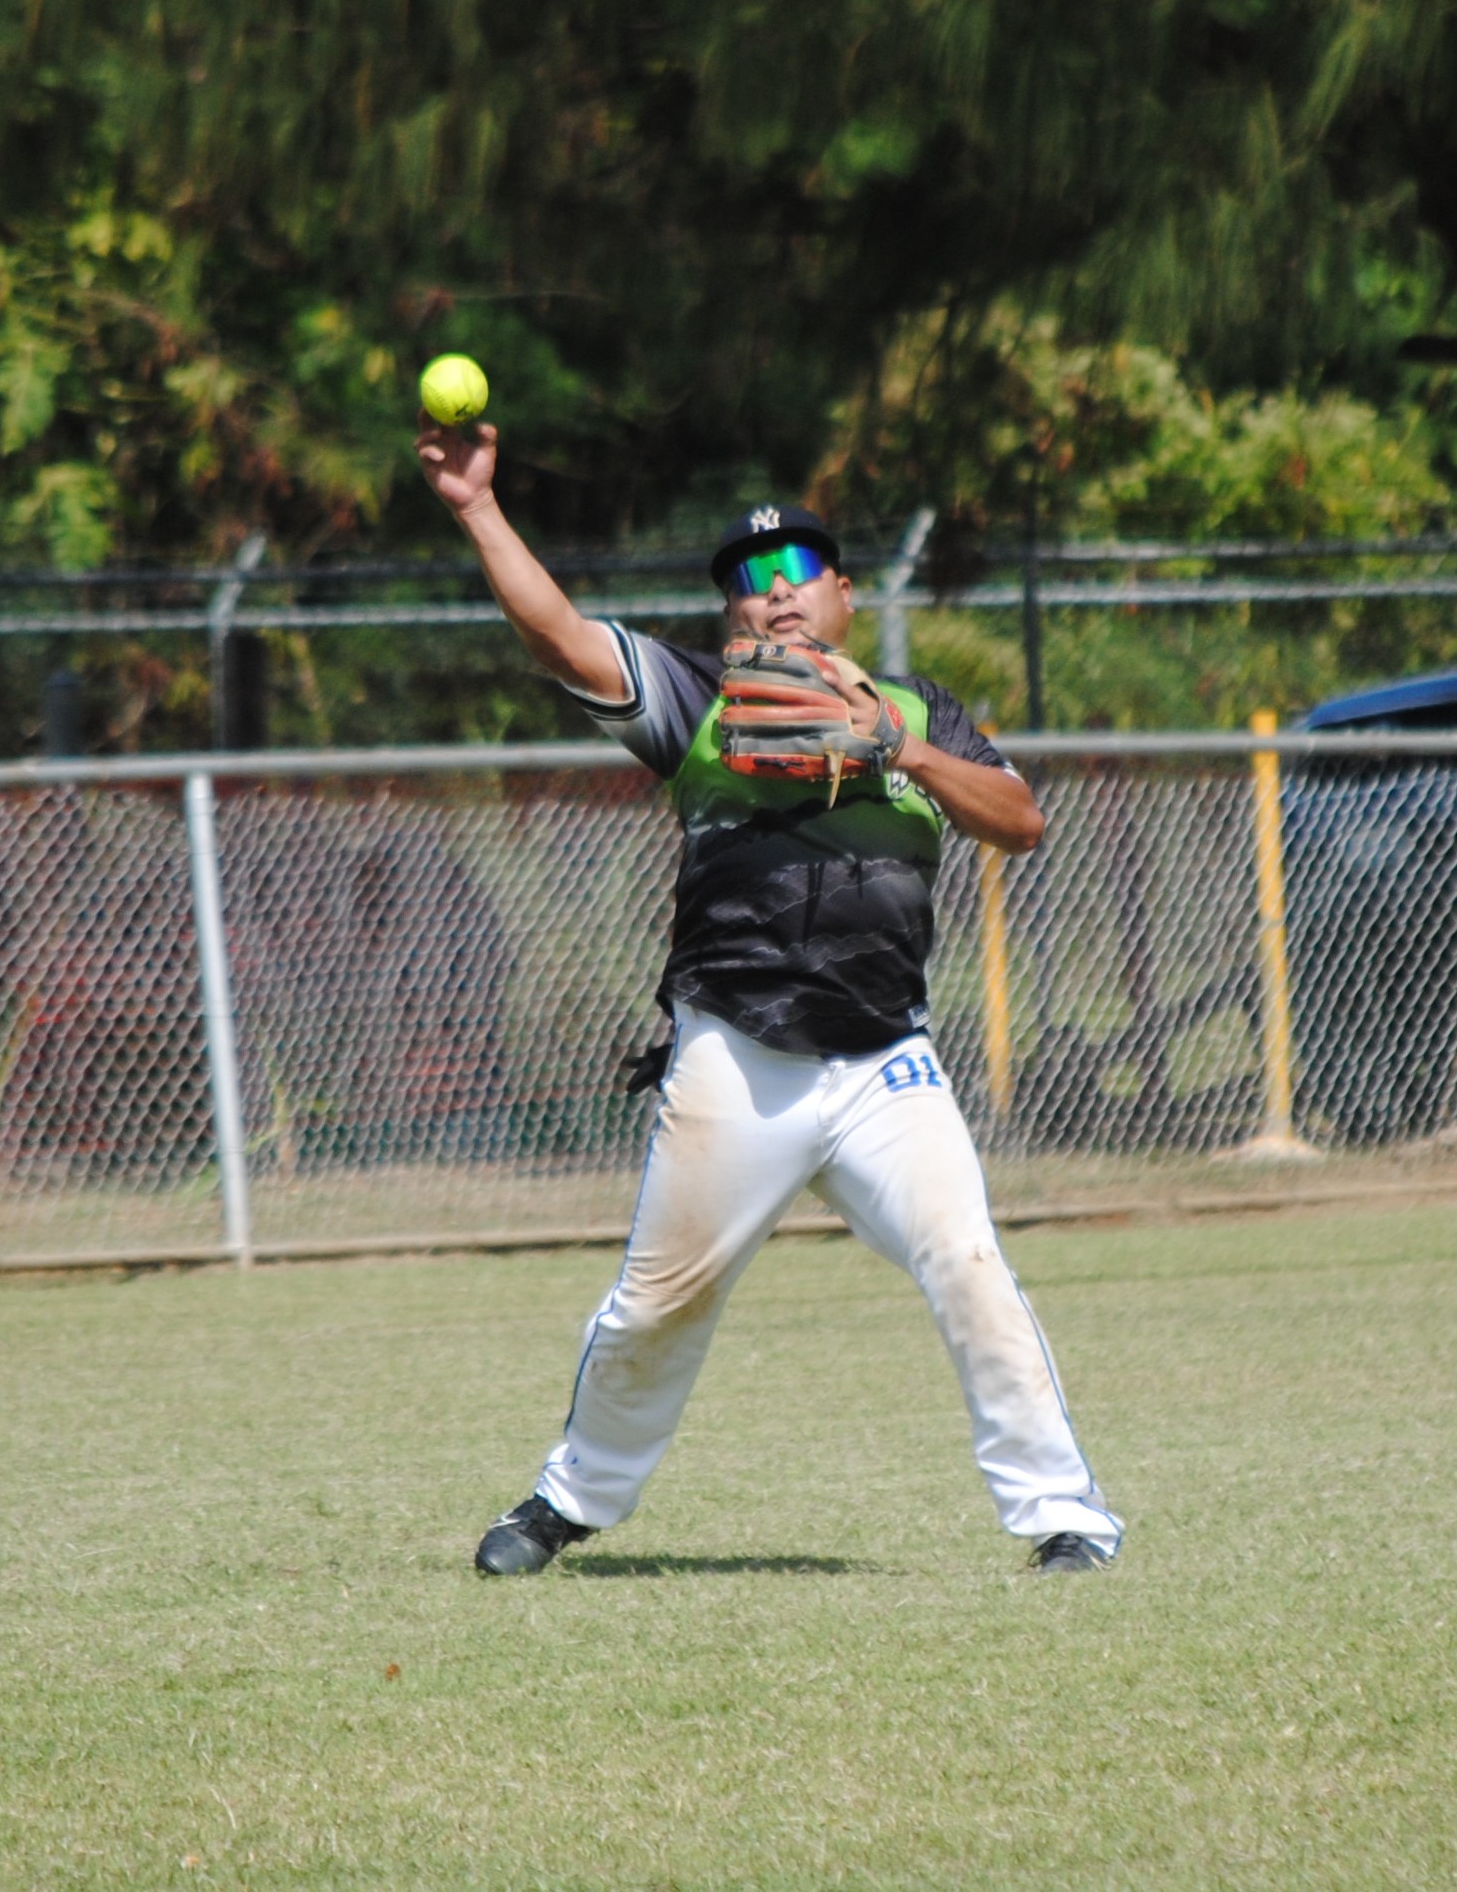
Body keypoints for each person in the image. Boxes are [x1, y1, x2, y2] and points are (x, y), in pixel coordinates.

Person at [415, 410, 1121, 1575]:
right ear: (730, 612)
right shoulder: (697, 702)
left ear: (843, 595)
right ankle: (564, 1501)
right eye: (748, 579)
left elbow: (1022, 821)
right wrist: (479, 508)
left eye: (796, 570)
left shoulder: (921, 710)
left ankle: (1065, 1518)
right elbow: (558, 637)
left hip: (886, 1063)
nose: (773, 593)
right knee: (657, 1305)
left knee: (968, 1260)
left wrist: (898, 748)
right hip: (738, 1056)